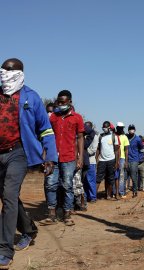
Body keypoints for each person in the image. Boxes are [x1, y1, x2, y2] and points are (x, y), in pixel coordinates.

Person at [0, 58, 57, 269]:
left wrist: (50, 155)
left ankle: (5, 249)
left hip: (18, 153)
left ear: (20, 74)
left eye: (10, 71)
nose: (5, 74)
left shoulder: (31, 97)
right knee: (9, 197)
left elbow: (46, 129)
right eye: (3, 70)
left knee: (8, 195)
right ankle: (29, 230)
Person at [41, 90, 84, 226]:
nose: (60, 105)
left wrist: (80, 157)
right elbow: (47, 136)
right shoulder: (53, 117)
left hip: (69, 157)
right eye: (58, 102)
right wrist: (44, 154)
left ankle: (67, 214)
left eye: (63, 103)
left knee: (67, 185)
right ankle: (51, 213)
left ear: (69, 102)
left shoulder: (77, 118)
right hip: (53, 157)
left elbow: (81, 138)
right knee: (50, 184)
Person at [95, 121, 119, 199]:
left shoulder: (114, 137)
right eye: (103, 128)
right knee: (98, 178)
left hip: (111, 160)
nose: (104, 129)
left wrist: (116, 162)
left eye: (106, 128)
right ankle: (94, 196)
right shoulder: (100, 136)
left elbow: (116, 150)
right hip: (102, 160)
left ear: (109, 128)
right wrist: (96, 160)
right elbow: (98, 149)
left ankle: (108, 195)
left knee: (111, 178)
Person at [125, 124, 144, 198]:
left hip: (134, 160)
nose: (131, 130)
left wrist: (139, 158)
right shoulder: (126, 138)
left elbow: (142, 149)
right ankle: (123, 192)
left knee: (134, 177)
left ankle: (135, 192)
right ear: (128, 130)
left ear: (135, 130)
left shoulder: (138, 139)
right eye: (130, 128)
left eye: (132, 128)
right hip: (126, 160)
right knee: (125, 177)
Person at [84, 122, 98, 203]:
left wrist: (84, 153)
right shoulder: (83, 136)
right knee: (84, 181)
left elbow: (93, 150)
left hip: (91, 162)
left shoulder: (95, 137)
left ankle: (93, 197)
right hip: (84, 162)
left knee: (91, 180)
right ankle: (85, 196)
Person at [115, 122, 129, 198]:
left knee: (121, 176)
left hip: (122, 158)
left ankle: (121, 191)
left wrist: (126, 161)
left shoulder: (125, 137)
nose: (121, 129)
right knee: (114, 175)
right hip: (113, 158)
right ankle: (114, 192)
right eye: (119, 128)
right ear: (117, 128)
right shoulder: (113, 136)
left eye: (122, 128)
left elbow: (126, 150)